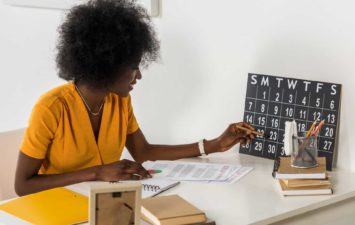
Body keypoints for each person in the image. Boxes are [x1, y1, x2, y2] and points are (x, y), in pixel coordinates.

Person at [14, 0, 255, 196]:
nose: (138, 75)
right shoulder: (51, 107)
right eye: (133, 67)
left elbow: (143, 151)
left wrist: (215, 145)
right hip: (56, 211)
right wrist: (97, 173)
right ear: (107, 65)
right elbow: (23, 185)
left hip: (105, 208)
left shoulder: (119, 101)